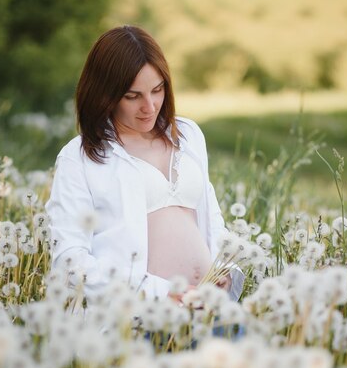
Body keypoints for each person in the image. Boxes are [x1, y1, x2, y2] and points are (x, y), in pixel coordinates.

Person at [46, 25, 244, 304]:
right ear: (105, 94)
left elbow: (210, 221)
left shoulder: (188, 136)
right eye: (132, 96)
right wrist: (159, 293)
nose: (149, 107)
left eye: (157, 90)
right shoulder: (79, 158)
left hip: (207, 311)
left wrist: (224, 271)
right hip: (136, 322)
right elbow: (69, 260)